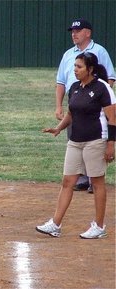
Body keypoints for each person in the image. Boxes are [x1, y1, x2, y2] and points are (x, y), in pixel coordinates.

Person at [37, 52, 116, 239]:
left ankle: (99, 226)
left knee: (97, 183)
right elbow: (71, 114)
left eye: (79, 67)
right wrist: (58, 128)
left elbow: (113, 118)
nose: (75, 70)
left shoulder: (102, 88)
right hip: (75, 142)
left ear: (90, 69)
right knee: (67, 182)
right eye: (74, 66)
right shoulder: (74, 87)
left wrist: (110, 145)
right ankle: (55, 224)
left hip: (95, 141)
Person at [55, 18, 116, 193]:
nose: (74, 34)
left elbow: (110, 77)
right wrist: (58, 106)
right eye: (72, 31)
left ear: (87, 32)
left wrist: (98, 97)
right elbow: (60, 82)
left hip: (95, 105)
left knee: (94, 138)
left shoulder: (99, 51)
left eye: (78, 31)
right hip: (74, 101)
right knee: (74, 137)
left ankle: (93, 179)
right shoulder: (68, 54)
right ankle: (80, 177)